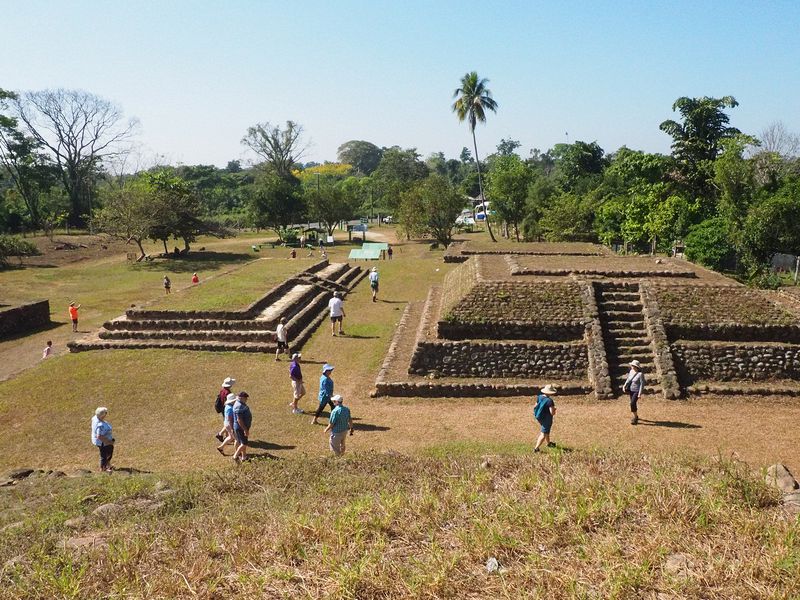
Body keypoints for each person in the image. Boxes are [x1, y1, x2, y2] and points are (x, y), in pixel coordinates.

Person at [533, 384, 558, 452]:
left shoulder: (539, 397)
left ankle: (548, 443)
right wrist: (554, 409)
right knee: (543, 433)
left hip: (539, 417)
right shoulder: (549, 401)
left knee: (546, 430)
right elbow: (552, 413)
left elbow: (535, 406)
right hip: (546, 418)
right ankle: (536, 448)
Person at [91, 407, 115, 472]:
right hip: (103, 442)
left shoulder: (95, 417)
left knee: (110, 450)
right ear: (102, 415)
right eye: (105, 413)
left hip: (103, 441)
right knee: (104, 455)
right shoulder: (100, 425)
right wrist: (108, 442)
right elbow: (99, 436)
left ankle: (107, 464)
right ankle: (103, 468)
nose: (106, 414)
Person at [622, 360, 645, 425]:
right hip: (631, 390)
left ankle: (635, 418)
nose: (631, 366)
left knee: (632, 403)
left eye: (633, 365)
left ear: (636, 366)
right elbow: (628, 379)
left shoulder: (640, 374)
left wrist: (639, 393)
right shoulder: (631, 371)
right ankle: (636, 415)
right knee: (633, 403)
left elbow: (642, 384)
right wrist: (624, 386)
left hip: (636, 391)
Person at [232, 391, 252, 463]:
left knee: (242, 443)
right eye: (245, 398)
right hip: (240, 428)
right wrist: (245, 429)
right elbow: (239, 420)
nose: (246, 399)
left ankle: (244, 457)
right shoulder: (239, 406)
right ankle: (235, 456)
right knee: (244, 443)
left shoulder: (239, 403)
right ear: (241, 398)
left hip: (240, 427)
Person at [215, 377, 235, 442]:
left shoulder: (222, 390)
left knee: (226, 422)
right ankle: (225, 436)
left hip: (223, 408)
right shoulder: (228, 392)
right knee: (228, 422)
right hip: (227, 408)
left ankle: (222, 434)